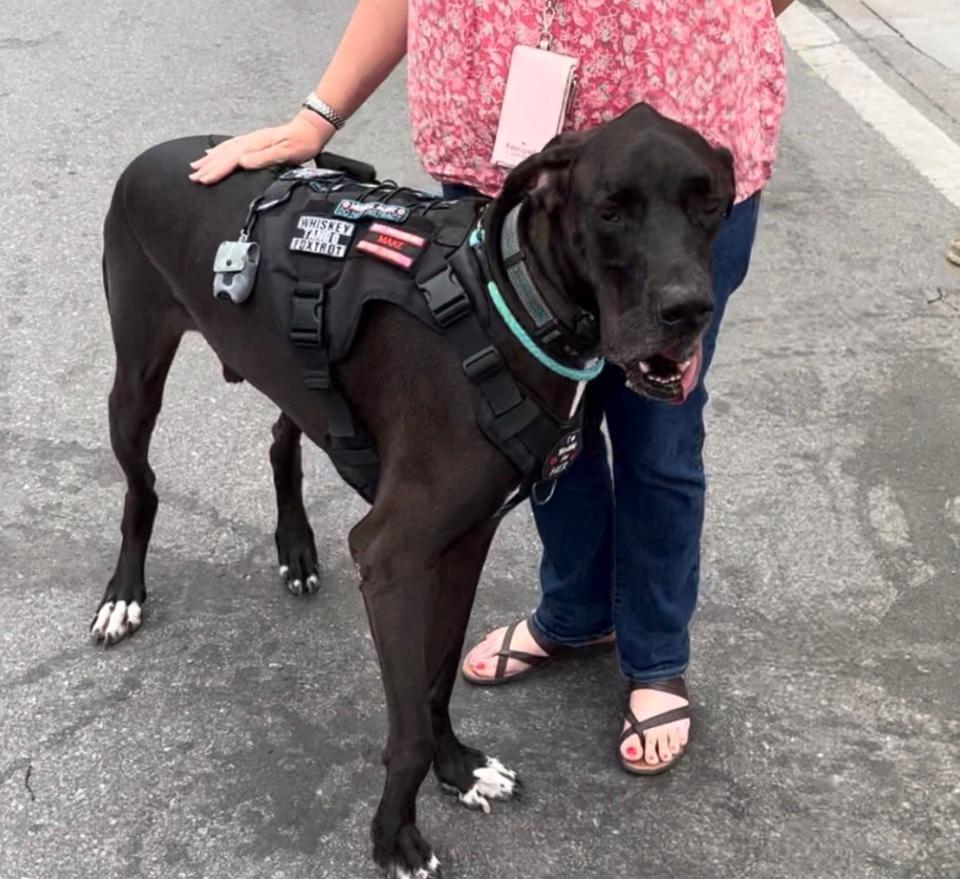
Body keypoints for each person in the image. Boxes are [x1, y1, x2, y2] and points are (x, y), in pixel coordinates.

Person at [190, 0, 793, 775]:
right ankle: (575, 610)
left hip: (685, 159)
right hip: (502, 161)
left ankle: (655, 657)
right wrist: (318, 115)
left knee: (659, 431)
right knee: (523, 426)